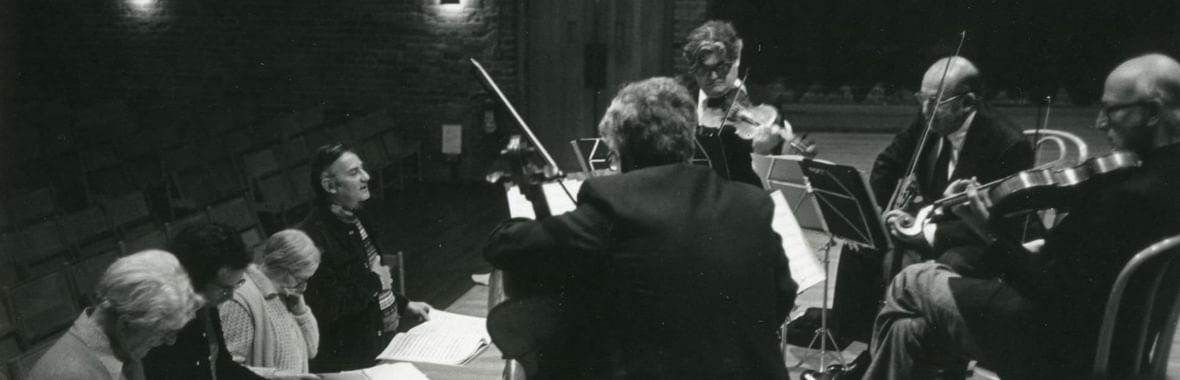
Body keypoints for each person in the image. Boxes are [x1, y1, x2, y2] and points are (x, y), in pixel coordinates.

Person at [864, 53, 1180, 379]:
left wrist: (991, 234)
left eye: (1111, 110)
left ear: (1153, 113)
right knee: (909, 331)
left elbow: (1053, 293)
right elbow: (1095, 266)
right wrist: (1039, 245)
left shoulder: (1127, 195)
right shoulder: (1158, 179)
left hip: (1055, 344)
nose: (1099, 122)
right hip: (1116, 342)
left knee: (911, 281)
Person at [483, 77, 798, 379]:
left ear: (622, 149)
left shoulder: (614, 203)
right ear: (689, 140)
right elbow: (782, 296)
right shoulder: (750, 203)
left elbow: (504, 245)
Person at [829, 56, 1036, 346]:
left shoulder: (1008, 145)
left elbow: (1001, 223)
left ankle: (915, 351)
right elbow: (889, 162)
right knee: (862, 244)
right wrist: (872, 209)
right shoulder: (929, 120)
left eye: (935, 101)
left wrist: (925, 232)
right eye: (921, 99)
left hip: (973, 238)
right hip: (928, 219)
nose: (926, 110)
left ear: (968, 103)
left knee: (942, 265)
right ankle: (853, 335)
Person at [298, 143, 432, 372]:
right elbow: (329, 306)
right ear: (329, 185)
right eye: (354, 173)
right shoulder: (314, 237)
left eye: (362, 169)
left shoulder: (356, 214)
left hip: (379, 343)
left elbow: (369, 272)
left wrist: (402, 303)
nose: (366, 177)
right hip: (349, 360)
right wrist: (375, 281)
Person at [144, 223, 316, 380]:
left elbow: (224, 367)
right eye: (225, 288)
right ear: (196, 279)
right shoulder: (162, 324)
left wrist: (283, 378)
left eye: (237, 284)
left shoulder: (206, 309)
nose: (231, 295)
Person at [29, 250, 203, 380]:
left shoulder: (123, 345)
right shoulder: (69, 374)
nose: (170, 342)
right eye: (164, 333)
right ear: (125, 324)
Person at [681, 20, 815, 187]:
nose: (714, 76)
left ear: (736, 58)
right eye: (704, 70)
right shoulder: (678, 102)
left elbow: (780, 186)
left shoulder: (766, 102)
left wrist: (762, 155)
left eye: (721, 67)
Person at [220, 229, 321, 377]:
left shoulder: (285, 295)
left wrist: (300, 310)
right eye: (301, 279)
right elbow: (231, 370)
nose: (303, 286)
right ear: (284, 270)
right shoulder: (240, 300)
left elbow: (312, 350)